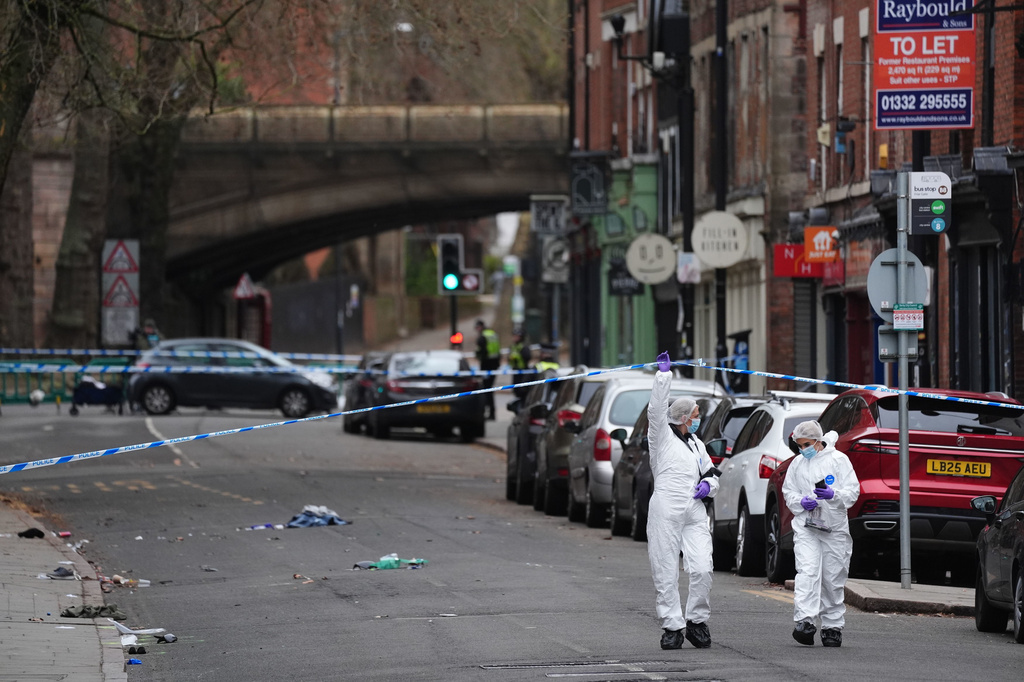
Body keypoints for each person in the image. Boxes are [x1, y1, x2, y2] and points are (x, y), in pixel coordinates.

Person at [647, 350, 720, 650]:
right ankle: (672, 626)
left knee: (703, 566)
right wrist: (664, 376)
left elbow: (712, 474)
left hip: (693, 509)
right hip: (666, 507)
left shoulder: (696, 443)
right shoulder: (661, 437)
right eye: (696, 416)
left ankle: (697, 620)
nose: (699, 421)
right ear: (684, 417)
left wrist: (708, 486)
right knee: (665, 567)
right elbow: (656, 409)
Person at [783, 420, 860, 648]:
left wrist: (832, 495)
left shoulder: (838, 460)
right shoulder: (797, 463)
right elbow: (789, 492)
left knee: (832, 578)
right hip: (807, 527)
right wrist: (800, 501)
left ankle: (832, 626)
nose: (802, 449)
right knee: (807, 572)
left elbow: (852, 492)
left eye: (806, 444)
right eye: (799, 445)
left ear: (818, 441)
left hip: (833, 529)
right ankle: (804, 622)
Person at [474, 319, 501, 420]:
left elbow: (480, 352)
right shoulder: (493, 334)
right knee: (489, 389)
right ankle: (491, 412)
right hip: (494, 366)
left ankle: (489, 413)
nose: (477, 330)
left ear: (480, 327)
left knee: (487, 389)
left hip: (486, 366)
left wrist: (478, 355)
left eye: (477, 328)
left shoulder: (482, 337)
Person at [507, 327, 532, 398]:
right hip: (515, 370)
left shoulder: (524, 347)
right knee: (515, 389)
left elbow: (528, 357)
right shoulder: (512, 346)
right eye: (514, 336)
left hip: (523, 371)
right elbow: (509, 358)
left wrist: (518, 357)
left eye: (517, 336)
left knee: (522, 390)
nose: (515, 338)